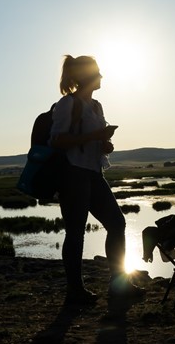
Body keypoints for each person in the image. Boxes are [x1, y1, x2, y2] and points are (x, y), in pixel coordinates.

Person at [50, 55, 145, 304]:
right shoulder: (67, 104)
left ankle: (118, 286)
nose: (101, 76)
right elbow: (57, 140)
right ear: (84, 76)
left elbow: (93, 142)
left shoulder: (96, 106)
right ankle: (75, 291)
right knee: (75, 233)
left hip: (93, 173)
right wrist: (95, 136)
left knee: (116, 223)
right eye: (97, 72)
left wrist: (105, 144)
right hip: (72, 174)